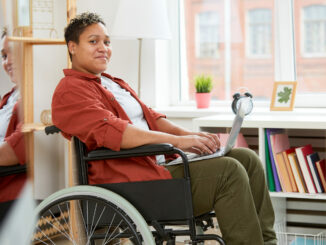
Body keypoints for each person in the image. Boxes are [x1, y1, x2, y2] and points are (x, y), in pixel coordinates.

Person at [52, 12, 277, 245]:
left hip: (157, 165)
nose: (103, 48)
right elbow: (117, 132)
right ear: (72, 47)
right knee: (228, 172)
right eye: (93, 41)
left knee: (247, 158)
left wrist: (191, 136)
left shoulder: (113, 83)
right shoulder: (71, 90)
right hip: (135, 180)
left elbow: (153, 118)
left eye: (107, 42)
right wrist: (179, 143)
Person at [0, 28, 26, 223]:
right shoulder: (10, 97)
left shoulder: (35, 98)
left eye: (13, 53)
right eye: (3, 55)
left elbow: (15, 150)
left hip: (10, 185)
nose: (7, 62)